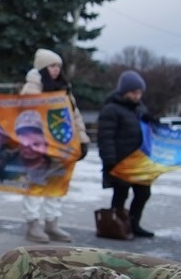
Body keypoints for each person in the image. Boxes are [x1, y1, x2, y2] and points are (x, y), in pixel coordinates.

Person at [18, 48, 89, 242]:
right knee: (35, 184)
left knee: (57, 183)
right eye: (52, 66)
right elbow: (25, 115)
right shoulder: (31, 89)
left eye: (58, 65)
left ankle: (52, 223)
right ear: (42, 68)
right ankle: (32, 224)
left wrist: (82, 140)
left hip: (62, 145)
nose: (56, 69)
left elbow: (74, 115)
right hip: (38, 146)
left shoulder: (64, 88)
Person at [99, 70, 154, 238]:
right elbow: (105, 136)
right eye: (134, 92)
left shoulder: (140, 110)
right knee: (121, 194)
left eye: (140, 93)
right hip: (120, 161)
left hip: (140, 161)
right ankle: (116, 225)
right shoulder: (111, 109)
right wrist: (109, 160)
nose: (137, 96)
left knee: (143, 193)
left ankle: (133, 223)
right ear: (124, 92)